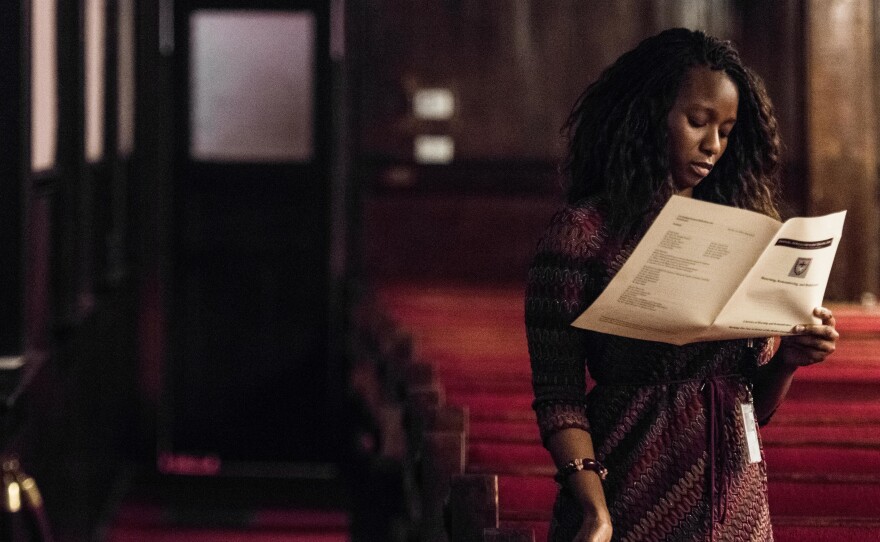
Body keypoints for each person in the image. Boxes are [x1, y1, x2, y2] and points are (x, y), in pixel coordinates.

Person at [525, 28, 839, 542]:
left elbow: (743, 403)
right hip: (623, 495)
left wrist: (788, 359)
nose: (713, 145)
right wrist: (593, 511)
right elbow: (558, 395)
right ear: (649, 117)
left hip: (737, 505)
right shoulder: (584, 234)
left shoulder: (743, 229)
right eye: (698, 122)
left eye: (728, 130)